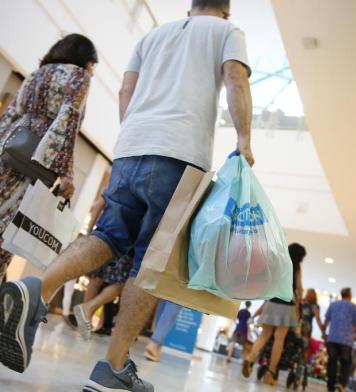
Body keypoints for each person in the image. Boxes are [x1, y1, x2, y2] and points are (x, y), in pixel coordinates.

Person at [0, 1, 254, 391]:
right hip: (179, 155)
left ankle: (38, 285)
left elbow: (125, 90)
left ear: (191, 10)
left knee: (109, 235)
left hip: (132, 147)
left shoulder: (153, 35)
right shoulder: (227, 34)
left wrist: (134, 134)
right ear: (226, 12)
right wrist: (244, 139)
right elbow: (235, 79)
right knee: (153, 261)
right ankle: (113, 367)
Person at [0, 34, 98, 284]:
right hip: (36, 160)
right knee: (8, 230)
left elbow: (12, 112)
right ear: (86, 60)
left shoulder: (38, 73)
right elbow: (68, 120)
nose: (92, 71)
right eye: (92, 64)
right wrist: (66, 173)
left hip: (9, 149)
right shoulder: (78, 77)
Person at [242, 243, 306, 386]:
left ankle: (251, 357)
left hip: (271, 302)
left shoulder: (279, 261)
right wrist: (300, 300)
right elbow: (299, 287)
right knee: (279, 339)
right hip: (287, 304)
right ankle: (270, 373)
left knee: (264, 335)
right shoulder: (296, 267)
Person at [74, 253, 133, 340]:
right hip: (126, 247)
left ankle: (85, 322)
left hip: (103, 244)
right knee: (122, 281)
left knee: (97, 277)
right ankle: (88, 308)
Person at [322, 287, 356, 392]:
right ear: (350, 295)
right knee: (346, 363)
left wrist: (323, 333)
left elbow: (326, 321)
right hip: (346, 341)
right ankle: (341, 384)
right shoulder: (354, 308)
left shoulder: (333, 305)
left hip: (332, 339)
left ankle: (330, 387)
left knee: (332, 363)